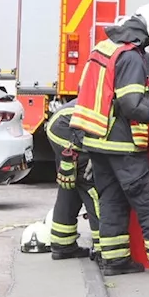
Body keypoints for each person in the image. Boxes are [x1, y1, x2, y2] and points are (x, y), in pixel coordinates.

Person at [70, 4, 149, 277]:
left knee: (113, 200)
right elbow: (133, 106)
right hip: (121, 143)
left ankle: (115, 260)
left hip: (97, 140)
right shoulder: (130, 57)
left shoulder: (104, 48)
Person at [44, 98, 100, 262]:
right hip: (68, 128)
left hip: (61, 124)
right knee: (92, 188)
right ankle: (103, 249)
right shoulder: (125, 100)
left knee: (69, 185)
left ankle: (63, 245)